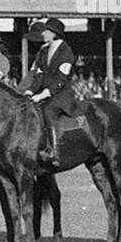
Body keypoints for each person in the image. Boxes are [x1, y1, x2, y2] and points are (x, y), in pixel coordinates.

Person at [23, 17, 79, 165]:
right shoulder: (44, 50)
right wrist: (30, 91)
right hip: (45, 92)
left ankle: (54, 151)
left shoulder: (66, 52)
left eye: (46, 31)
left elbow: (61, 79)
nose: (43, 34)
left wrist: (43, 94)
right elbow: (39, 75)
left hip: (61, 95)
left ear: (54, 33)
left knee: (47, 110)